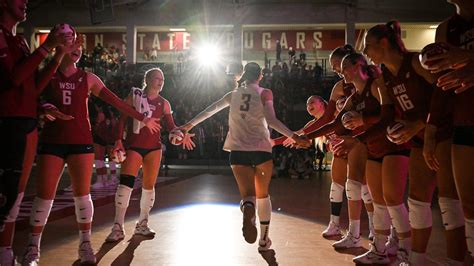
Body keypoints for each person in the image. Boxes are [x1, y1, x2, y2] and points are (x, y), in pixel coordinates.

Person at [21, 36, 160, 265]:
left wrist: (141, 117)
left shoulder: (88, 78)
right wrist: (42, 107)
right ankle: (32, 248)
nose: (77, 48)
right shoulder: (47, 73)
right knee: (44, 197)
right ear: (59, 47)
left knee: (82, 195)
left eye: (79, 45)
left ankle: (85, 244)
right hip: (52, 141)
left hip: (81, 142)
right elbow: (31, 96)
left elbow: (116, 102)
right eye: (71, 44)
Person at [363, 20, 465, 264]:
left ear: (384, 43)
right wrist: (384, 132)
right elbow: (388, 114)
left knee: (449, 204)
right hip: (418, 139)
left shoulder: (416, 62)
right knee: (417, 201)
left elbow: (445, 94)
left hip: (443, 133)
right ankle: (415, 259)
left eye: (369, 45)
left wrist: (419, 124)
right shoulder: (383, 77)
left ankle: (457, 261)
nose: (366, 52)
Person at [181, 62, 309, 251]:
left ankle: (248, 207)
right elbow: (272, 121)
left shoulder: (232, 95)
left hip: (238, 151)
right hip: (261, 150)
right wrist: (294, 136)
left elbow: (209, 111)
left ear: (243, 76)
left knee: (248, 195)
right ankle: (264, 240)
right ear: (260, 76)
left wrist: (187, 126)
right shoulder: (265, 93)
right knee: (263, 195)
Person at [0, 2, 74, 264]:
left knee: (15, 198)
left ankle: (6, 254)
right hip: (6, 123)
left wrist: (56, 55)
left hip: (26, 122)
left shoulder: (19, 41)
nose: (26, 2)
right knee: (5, 195)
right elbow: (14, 79)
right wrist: (47, 46)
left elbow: (33, 86)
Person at [334, 52, 411, 264]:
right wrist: (302, 136)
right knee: (379, 203)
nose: (341, 72)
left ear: (359, 65)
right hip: (374, 148)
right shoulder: (354, 97)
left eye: (343, 67)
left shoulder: (376, 86)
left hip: (393, 145)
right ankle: (379, 249)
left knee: (394, 201)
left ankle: (406, 253)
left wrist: (361, 125)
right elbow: (335, 123)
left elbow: (388, 116)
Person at [105, 67, 195, 242]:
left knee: (149, 187)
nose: (160, 82)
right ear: (147, 79)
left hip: (154, 148)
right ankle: (117, 226)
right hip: (134, 146)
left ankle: (142, 224)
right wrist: (118, 140)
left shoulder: (164, 103)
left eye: (162, 79)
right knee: (125, 186)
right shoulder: (135, 95)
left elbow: (171, 127)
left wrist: (181, 134)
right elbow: (122, 118)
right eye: (156, 78)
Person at [423, 0, 474, 263]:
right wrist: (431, 130)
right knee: (468, 204)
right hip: (464, 121)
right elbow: (441, 85)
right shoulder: (445, 28)